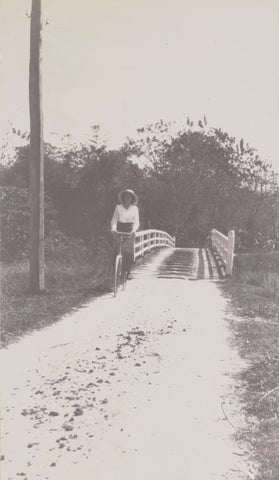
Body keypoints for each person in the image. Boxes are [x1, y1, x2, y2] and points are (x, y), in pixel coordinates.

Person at [111, 189, 139, 278]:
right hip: (120, 228)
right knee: (117, 249)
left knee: (128, 251)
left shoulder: (134, 208)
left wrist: (134, 230)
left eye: (129, 196)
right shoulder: (118, 207)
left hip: (130, 229)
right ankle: (114, 271)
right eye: (126, 196)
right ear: (123, 197)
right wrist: (114, 229)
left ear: (132, 198)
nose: (127, 198)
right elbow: (114, 220)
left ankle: (128, 271)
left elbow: (136, 222)